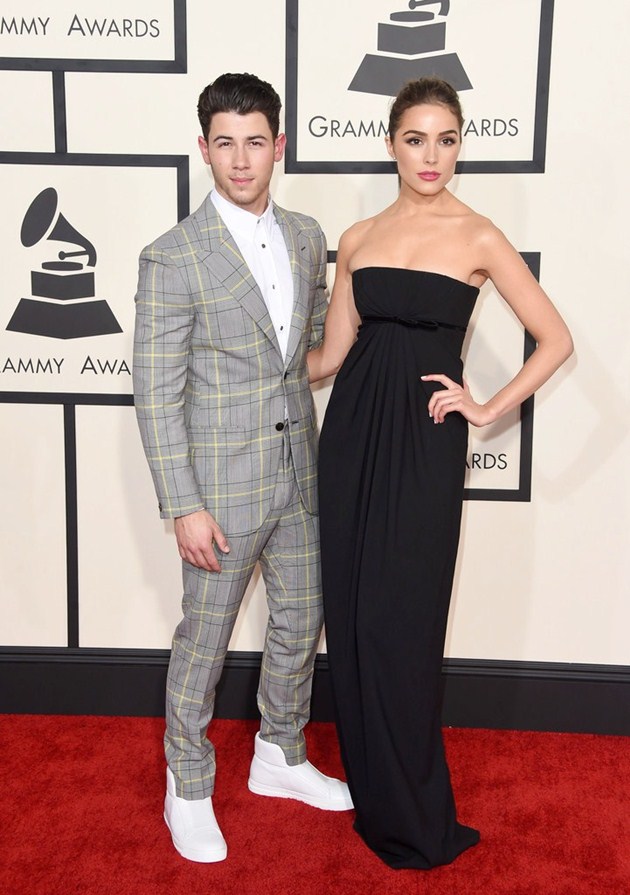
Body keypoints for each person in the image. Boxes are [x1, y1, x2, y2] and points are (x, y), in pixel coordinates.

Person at [308, 76, 573, 870]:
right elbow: (330, 357)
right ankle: (376, 790)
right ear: (392, 143)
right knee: (353, 617)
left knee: (405, 623)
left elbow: (555, 338)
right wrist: (253, 361)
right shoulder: (356, 237)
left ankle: (415, 808)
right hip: (350, 435)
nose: (431, 155)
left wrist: (488, 407)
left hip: (423, 447)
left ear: (460, 145)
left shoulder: (480, 236)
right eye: (417, 138)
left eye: (447, 139)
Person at [133, 72, 352, 865]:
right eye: (223, 142)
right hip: (219, 487)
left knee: (301, 620)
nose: (240, 158)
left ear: (278, 146)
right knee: (206, 638)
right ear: (204, 149)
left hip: (301, 470)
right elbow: (155, 394)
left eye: (254, 141)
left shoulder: (304, 235)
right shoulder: (171, 257)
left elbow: (311, 353)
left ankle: (279, 753)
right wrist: (182, 503)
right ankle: (186, 782)